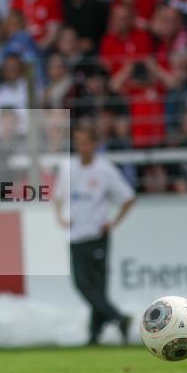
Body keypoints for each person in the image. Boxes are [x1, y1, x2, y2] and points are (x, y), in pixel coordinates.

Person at [54, 123, 134, 346]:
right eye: (78, 142)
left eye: (85, 142)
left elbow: (128, 197)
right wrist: (60, 217)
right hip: (76, 235)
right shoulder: (68, 168)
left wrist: (113, 222)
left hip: (97, 235)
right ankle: (116, 319)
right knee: (82, 283)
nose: (81, 147)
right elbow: (58, 196)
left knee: (95, 287)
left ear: (95, 144)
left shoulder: (104, 170)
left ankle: (96, 332)